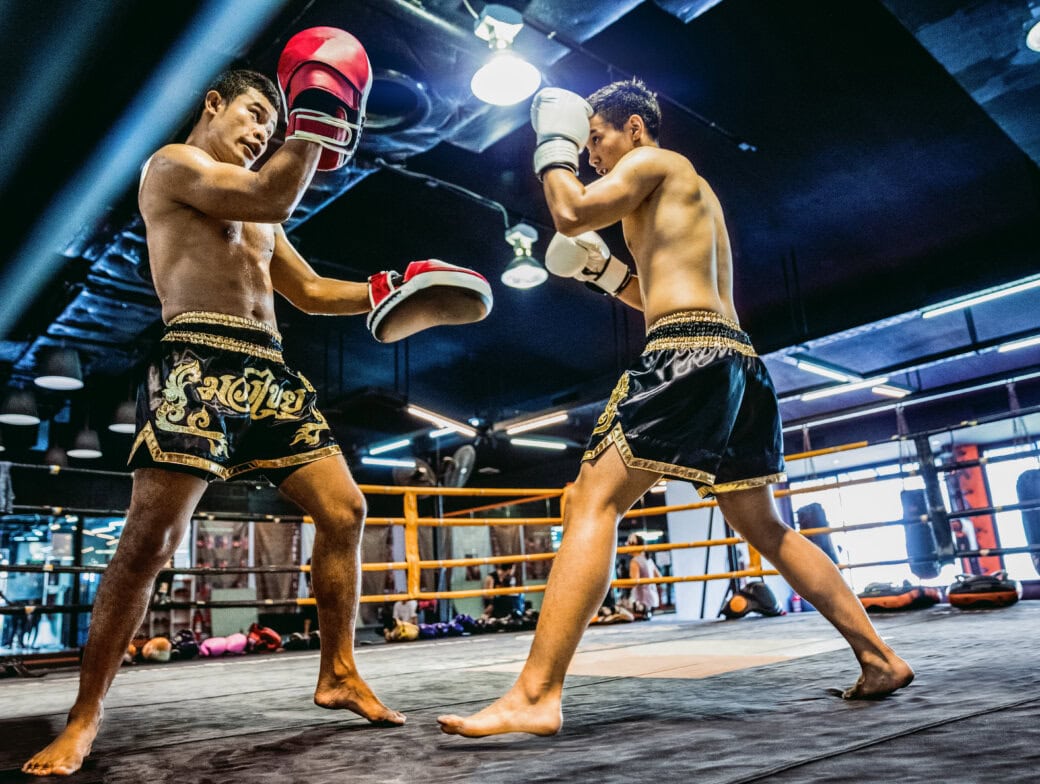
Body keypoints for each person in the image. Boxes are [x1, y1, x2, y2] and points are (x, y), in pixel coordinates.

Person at [24, 26, 492, 776]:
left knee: (345, 510)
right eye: (254, 120)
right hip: (196, 363)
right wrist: (316, 117)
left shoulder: (262, 211)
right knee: (150, 542)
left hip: (268, 370)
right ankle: (85, 715)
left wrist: (392, 289)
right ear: (214, 104)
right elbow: (273, 188)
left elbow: (305, 291)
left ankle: (337, 671)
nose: (262, 137)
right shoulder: (172, 167)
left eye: (277, 128)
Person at [438, 78, 913, 738]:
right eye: (585, 141)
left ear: (635, 128)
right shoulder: (683, 191)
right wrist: (604, 274)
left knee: (588, 501)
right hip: (736, 360)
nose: (592, 153)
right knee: (763, 527)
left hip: (686, 353)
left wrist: (551, 141)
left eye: (596, 137)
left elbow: (570, 211)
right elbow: (653, 291)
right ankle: (880, 657)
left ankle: (536, 694)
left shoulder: (654, 162)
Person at [625, 533, 663, 614]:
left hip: (641, 603)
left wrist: (613, 585)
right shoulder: (648, 560)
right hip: (653, 601)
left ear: (634, 545)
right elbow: (659, 578)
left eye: (628, 543)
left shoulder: (635, 561)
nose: (626, 546)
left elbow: (634, 583)